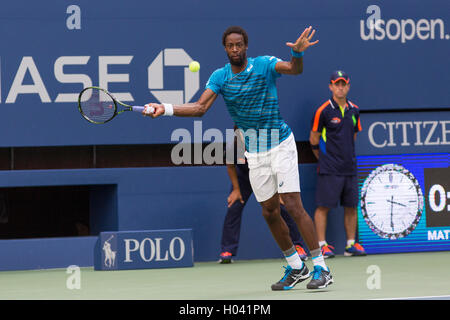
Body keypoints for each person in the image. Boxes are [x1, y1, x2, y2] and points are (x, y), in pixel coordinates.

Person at [144, 25, 333, 290]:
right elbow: (199, 108)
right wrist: (164, 108)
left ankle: (321, 268)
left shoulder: (265, 65)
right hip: (254, 151)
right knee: (268, 211)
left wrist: (298, 55)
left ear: (246, 46)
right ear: (225, 49)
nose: (235, 49)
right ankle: (295, 266)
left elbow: (293, 69)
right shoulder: (220, 77)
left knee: (292, 203)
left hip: (280, 143)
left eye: (239, 45)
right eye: (230, 46)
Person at [219, 130, 309, 264]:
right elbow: (231, 167)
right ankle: (227, 251)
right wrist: (236, 190)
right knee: (234, 207)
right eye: (239, 133)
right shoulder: (233, 146)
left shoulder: (264, 144)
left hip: (265, 175)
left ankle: (298, 246)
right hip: (243, 178)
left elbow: (275, 167)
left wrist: (278, 191)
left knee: (282, 207)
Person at [309, 70, 367, 258]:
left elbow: (354, 136)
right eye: (337, 84)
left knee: (351, 206)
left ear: (348, 86)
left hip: (349, 167)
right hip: (329, 168)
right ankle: (321, 245)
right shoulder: (323, 111)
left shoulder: (354, 110)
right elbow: (314, 139)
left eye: (343, 84)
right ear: (331, 87)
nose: (340, 88)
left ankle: (350, 245)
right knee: (323, 206)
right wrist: (325, 159)